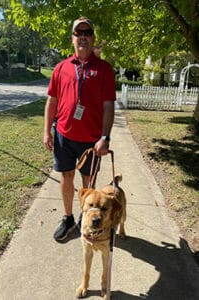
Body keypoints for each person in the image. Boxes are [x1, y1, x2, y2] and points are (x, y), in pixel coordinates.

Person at [43, 16, 116, 241]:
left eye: (87, 33)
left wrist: (105, 137)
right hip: (64, 135)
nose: (82, 37)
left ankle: (89, 218)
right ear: (72, 38)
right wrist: (47, 131)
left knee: (88, 183)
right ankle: (68, 218)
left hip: (92, 141)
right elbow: (52, 101)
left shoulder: (104, 70)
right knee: (66, 176)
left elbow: (108, 107)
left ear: (93, 38)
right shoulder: (61, 68)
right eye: (78, 33)